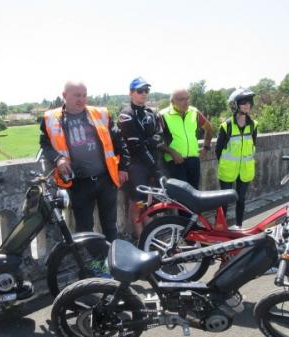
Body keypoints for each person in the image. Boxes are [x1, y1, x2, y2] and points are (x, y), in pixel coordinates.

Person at [39, 81, 129, 242]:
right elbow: (45, 144)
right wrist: (58, 159)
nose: (81, 99)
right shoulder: (50, 118)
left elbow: (119, 141)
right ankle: (95, 264)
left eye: (84, 95)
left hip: (106, 179)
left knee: (110, 224)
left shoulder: (100, 114)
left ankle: (115, 260)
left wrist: (123, 167)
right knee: (85, 227)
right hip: (78, 183)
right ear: (65, 96)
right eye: (77, 95)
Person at [117, 77, 163, 239]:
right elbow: (136, 146)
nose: (144, 94)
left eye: (146, 91)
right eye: (140, 91)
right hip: (136, 167)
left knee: (151, 204)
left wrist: (149, 141)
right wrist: (151, 142)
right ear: (131, 93)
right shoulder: (126, 115)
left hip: (151, 163)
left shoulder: (151, 113)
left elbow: (161, 135)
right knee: (137, 204)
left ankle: (151, 238)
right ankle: (141, 239)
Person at [215, 88, 258, 229]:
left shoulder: (253, 125)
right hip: (228, 170)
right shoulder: (226, 126)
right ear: (235, 104)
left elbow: (253, 145)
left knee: (241, 199)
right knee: (224, 201)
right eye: (243, 102)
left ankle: (239, 226)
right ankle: (220, 228)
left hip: (245, 169)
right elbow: (218, 150)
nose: (247, 105)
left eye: (249, 102)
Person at [159, 88, 213, 189]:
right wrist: (172, 152)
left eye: (187, 98)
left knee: (195, 193)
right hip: (175, 162)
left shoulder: (194, 112)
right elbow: (157, 141)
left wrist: (206, 147)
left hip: (193, 160)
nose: (186, 102)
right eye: (181, 99)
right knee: (181, 196)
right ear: (172, 101)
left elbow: (209, 128)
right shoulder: (162, 115)